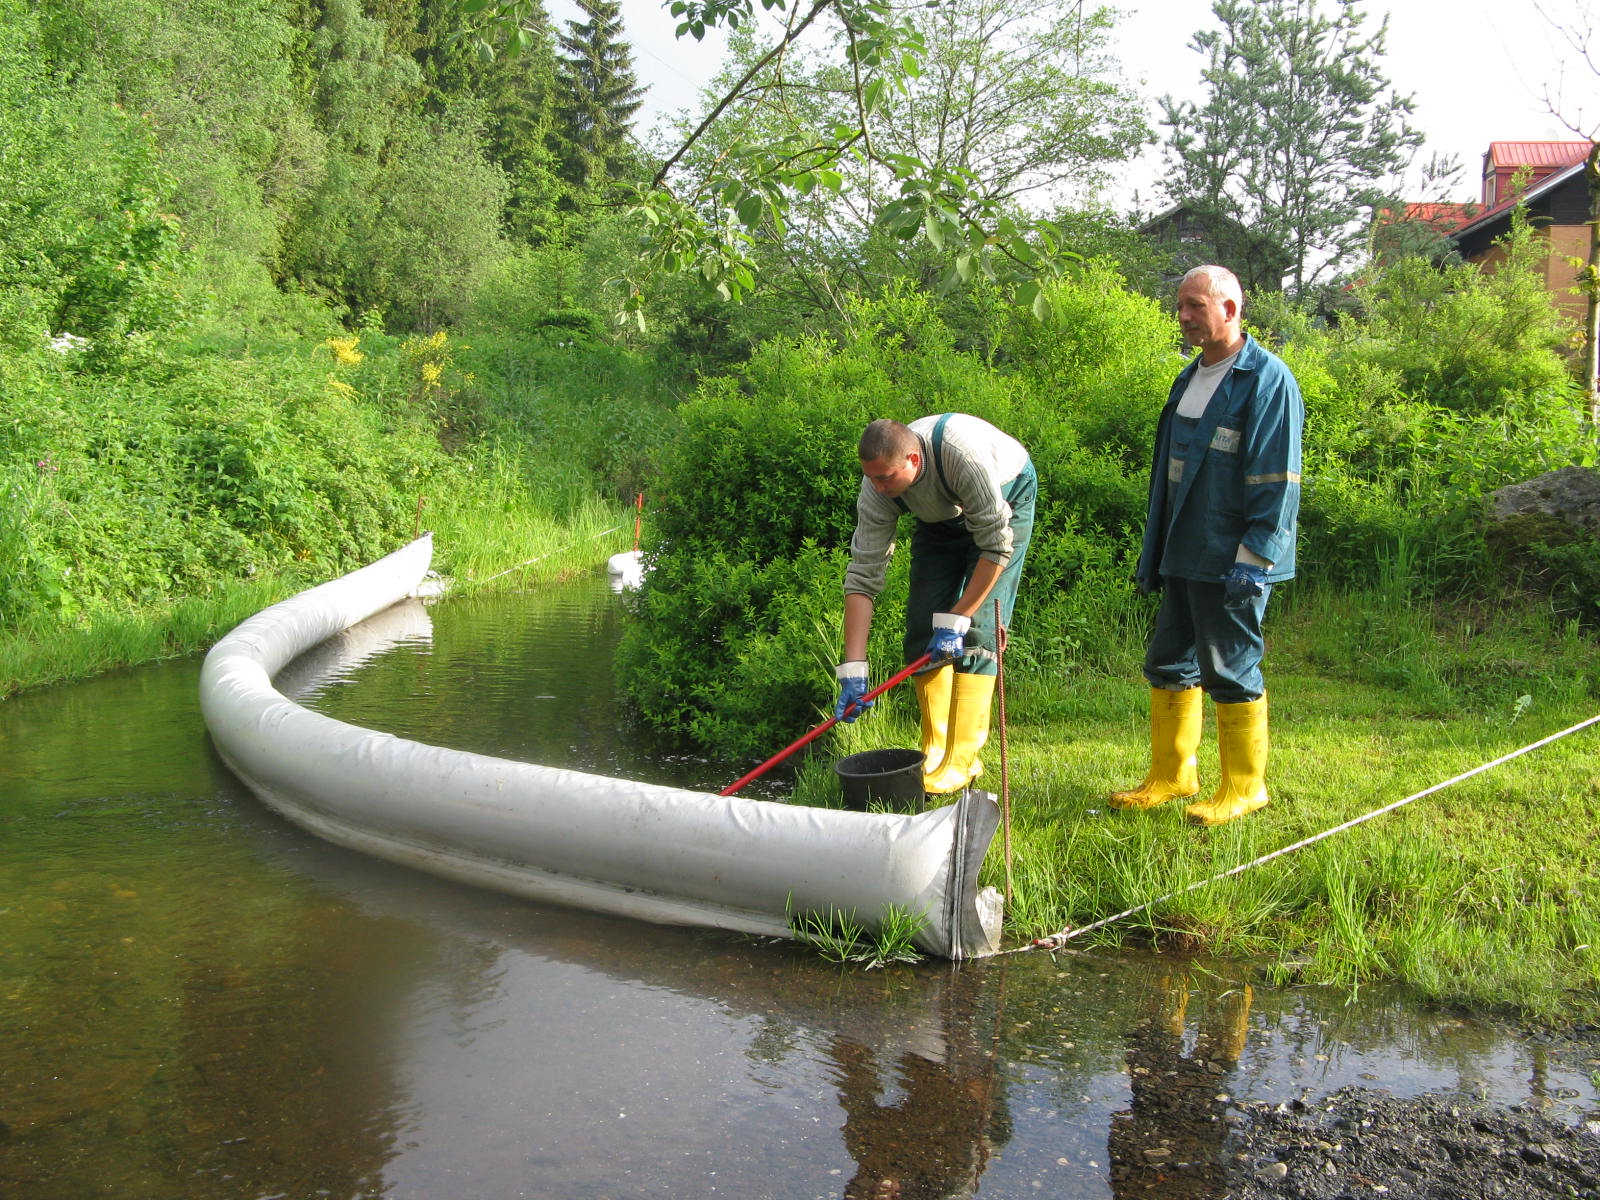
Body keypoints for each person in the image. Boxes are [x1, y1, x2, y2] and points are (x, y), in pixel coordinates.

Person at [1111, 264, 1302, 826]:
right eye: (1181, 306)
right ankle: (1173, 776)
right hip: (1181, 549)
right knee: (1169, 661)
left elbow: (1278, 478)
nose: (1185, 316)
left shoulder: (1267, 380)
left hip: (1232, 555)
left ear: (1230, 309)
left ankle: (1245, 787)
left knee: (1230, 665)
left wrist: (1256, 556)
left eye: (1195, 305)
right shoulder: (1190, 376)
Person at [835, 414, 1036, 796]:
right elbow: (863, 575)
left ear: (912, 460)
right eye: (871, 478)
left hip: (1006, 497)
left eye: (885, 478)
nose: (878, 487)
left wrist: (958, 618)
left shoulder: (963, 457)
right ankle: (935, 752)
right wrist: (853, 669)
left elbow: (995, 546)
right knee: (923, 628)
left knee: (977, 630)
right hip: (941, 515)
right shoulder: (879, 487)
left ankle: (961, 761)